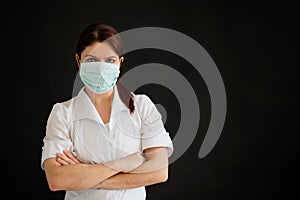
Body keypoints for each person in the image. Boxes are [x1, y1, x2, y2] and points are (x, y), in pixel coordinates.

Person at [41, 22, 174, 200]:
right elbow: (57, 179)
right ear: (78, 61)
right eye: (92, 60)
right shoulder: (62, 113)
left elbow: (159, 172)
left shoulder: (142, 106)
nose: (101, 68)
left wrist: (86, 177)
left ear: (120, 62)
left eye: (110, 60)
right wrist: (125, 163)